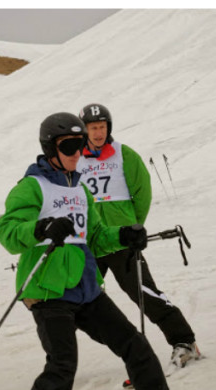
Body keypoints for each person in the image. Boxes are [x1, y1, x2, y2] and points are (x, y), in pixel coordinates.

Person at [0, 112, 195, 390]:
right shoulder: (31, 187)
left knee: (133, 342)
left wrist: (124, 234)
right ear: (51, 148)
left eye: (81, 145)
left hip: (85, 288)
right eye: (69, 146)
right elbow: (8, 232)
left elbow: (97, 238)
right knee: (62, 363)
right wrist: (40, 229)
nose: (77, 152)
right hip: (46, 290)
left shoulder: (80, 189)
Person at [77, 102, 200, 370]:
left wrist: (133, 226)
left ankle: (184, 341)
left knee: (144, 293)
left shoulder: (124, 155)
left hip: (121, 241)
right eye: (93, 128)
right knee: (81, 300)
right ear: (84, 130)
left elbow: (142, 194)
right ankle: (122, 351)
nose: (98, 133)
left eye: (102, 127)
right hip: (89, 243)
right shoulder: (76, 158)